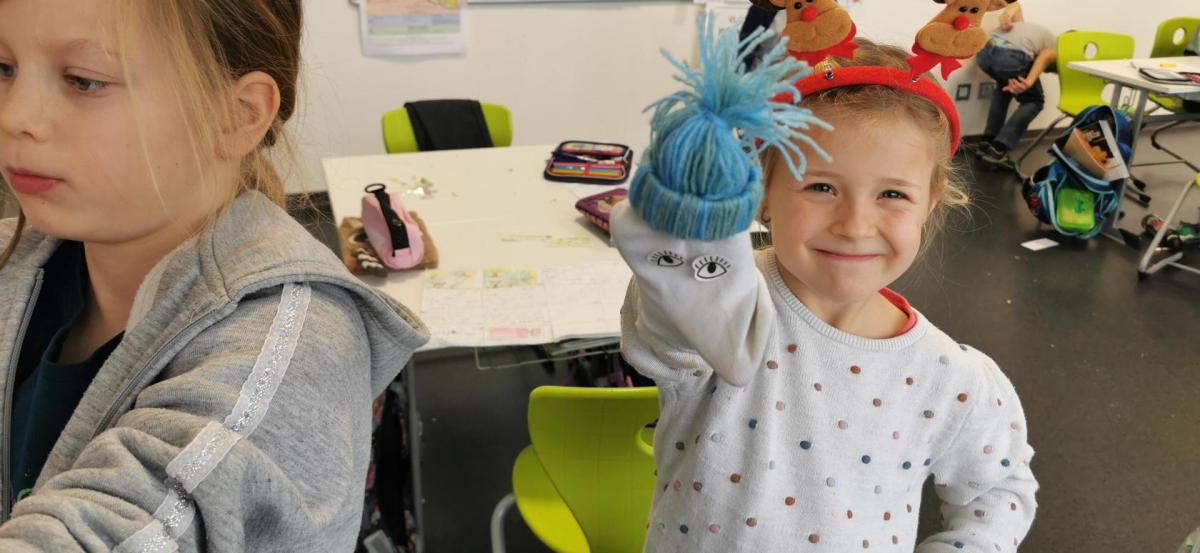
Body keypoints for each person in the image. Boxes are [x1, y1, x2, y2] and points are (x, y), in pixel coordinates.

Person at [0, 0, 428, 550]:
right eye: (4, 68)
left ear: (238, 115)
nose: (15, 116)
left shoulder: (289, 348)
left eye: (84, 81)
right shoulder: (28, 256)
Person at [612, 21, 1038, 552]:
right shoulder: (727, 310)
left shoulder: (951, 377)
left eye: (892, 195)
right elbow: (668, 318)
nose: (855, 225)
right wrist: (687, 208)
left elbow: (999, 491)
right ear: (762, 193)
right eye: (820, 186)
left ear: (930, 204)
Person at [974, 2, 1057, 170]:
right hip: (1009, 56)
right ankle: (998, 150)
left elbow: (1016, 4)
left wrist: (1006, 14)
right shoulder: (1056, 46)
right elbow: (1047, 55)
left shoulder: (1026, 29)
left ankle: (986, 143)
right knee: (1034, 101)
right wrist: (1029, 81)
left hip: (984, 50)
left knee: (1003, 88)